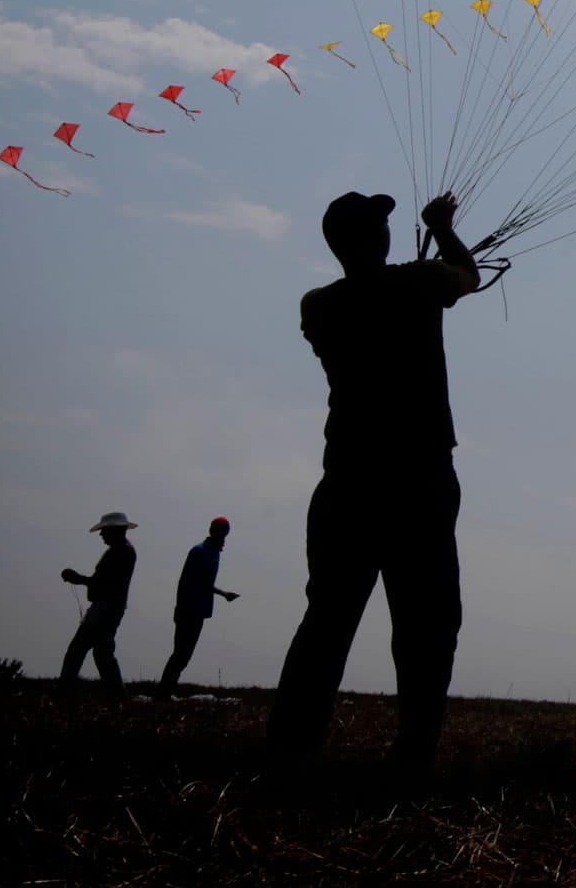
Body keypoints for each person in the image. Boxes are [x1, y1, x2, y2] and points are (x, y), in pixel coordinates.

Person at [268, 191, 482, 768]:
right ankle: (411, 756)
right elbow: (468, 275)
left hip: (347, 482)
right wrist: (442, 227)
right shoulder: (418, 284)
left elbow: (421, 282)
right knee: (427, 624)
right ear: (377, 237)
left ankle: (291, 747)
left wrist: (421, 261)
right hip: (418, 481)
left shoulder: (318, 306)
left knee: (327, 618)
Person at [156, 517, 239, 699]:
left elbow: (206, 583)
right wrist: (180, 609)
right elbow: (185, 582)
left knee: (184, 655)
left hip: (199, 611)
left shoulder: (215, 553)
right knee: (180, 654)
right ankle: (163, 693)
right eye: (221, 532)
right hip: (188, 610)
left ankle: (165, 692)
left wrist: (224, 594)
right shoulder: (199, 552)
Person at [58, 511, 138, 699]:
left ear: (115, 531)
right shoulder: (122, 551)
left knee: (78, 651)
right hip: (108, 609)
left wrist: (79, 579)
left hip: (104, 610)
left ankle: (63, 693)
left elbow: (105, 584)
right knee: (103, 655)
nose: (101, 535)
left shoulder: (121, 552)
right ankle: (119, 698)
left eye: (104, 531)